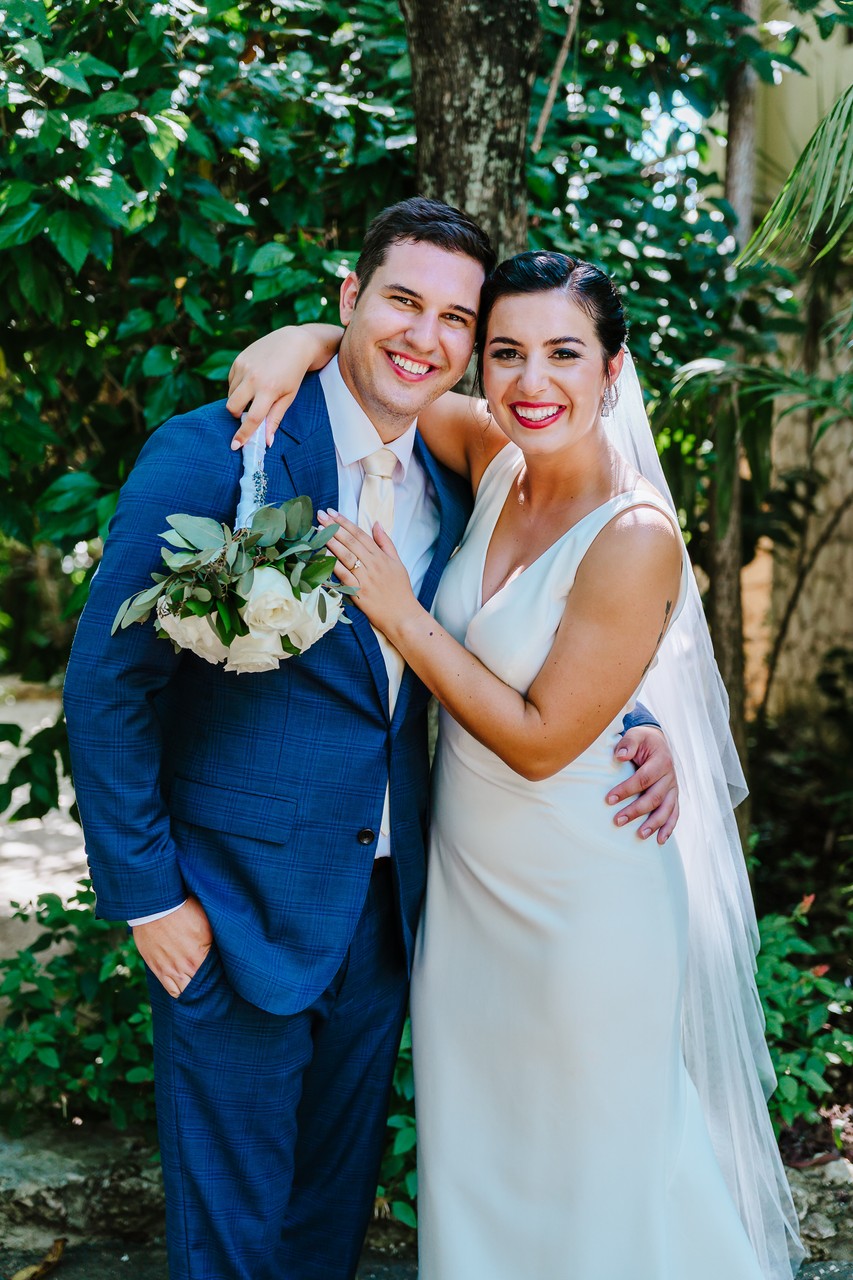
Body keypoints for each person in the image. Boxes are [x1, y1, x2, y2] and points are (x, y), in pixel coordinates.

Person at [62, 200, 678, 1280]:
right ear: (350, 297)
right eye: (400, 300)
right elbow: (105, 687)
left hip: (393, 914)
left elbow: (541, 623)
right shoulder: (221, 454)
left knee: (326, 1232)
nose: (423, 336)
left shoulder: (464, 467)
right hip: (232, 909)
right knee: (231, 1241)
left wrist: (633, 717)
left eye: (454, 319)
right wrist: (149, 897)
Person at [228, 249, 803, 1279]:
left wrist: (401, 616)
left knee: (601, 1177)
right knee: (484, 1169)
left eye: (564, 354)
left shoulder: (634, 534)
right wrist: (299, 338)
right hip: (468, 900)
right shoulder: (496, 455)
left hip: (583, 903)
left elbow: (541, 740)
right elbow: (390, 377)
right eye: (505, 353)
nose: (532, 381)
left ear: (613, 369)